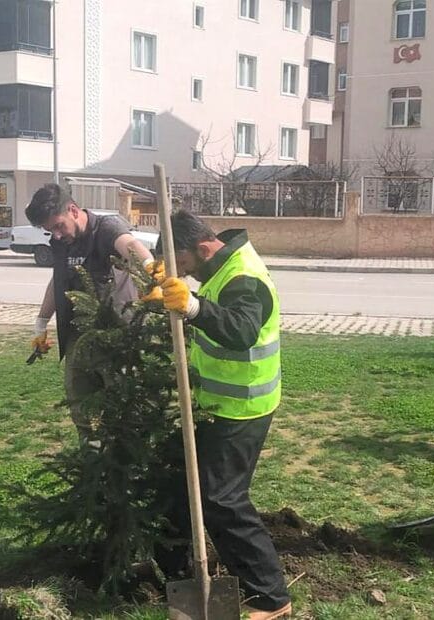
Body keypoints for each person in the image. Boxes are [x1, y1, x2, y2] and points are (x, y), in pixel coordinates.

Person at [153, 210, 292, 620]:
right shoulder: (222, 265)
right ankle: (181, 572)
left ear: (201, 247)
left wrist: (193, 308)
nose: (185, 273)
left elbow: (240, 331)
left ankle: (271, 598)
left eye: (182, 263)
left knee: (223, 499)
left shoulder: (243, 277)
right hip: (215, 403)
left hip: (243, 406)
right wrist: (165, 290)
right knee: (181, 483)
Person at [26, 183, 157, 441]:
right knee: (82, 406)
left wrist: (151, 268)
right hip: (78, 339)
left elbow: (129, 244)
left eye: (58, 225)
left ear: (73, 210)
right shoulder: (61, 242)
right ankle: (93, 460)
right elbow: (58, 280)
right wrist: (41, 323)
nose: (57, 234)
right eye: (50, 230)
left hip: (117, 339)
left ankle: (128, 459)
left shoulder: (105, 229)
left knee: (123, 407)